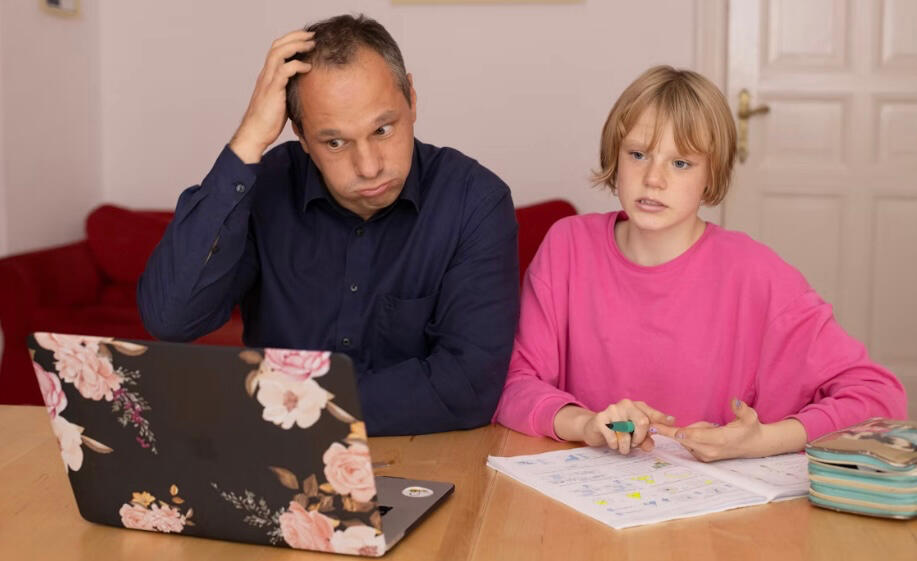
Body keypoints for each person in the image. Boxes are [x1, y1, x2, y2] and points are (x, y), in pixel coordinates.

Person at [493, 66, 907, 461]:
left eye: (680, 163)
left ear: (711, 176)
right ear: (615, 158)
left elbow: (878, 396)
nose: (653, 179)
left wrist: (764, 440)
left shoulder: (756, 273)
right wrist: (585, 424)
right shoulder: (567, 246)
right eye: (638, 154)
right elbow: (512, 383)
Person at [138, 14, 520, 436]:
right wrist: (249, 138)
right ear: (300, 135)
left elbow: (469, 387)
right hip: (280, 453)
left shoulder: (474, 201)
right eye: (335, 142)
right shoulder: (263, 188)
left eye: (383, 129)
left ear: (411, 98)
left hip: (425, 453)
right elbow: (171, 319)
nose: (369, 167)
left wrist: (302, 403)